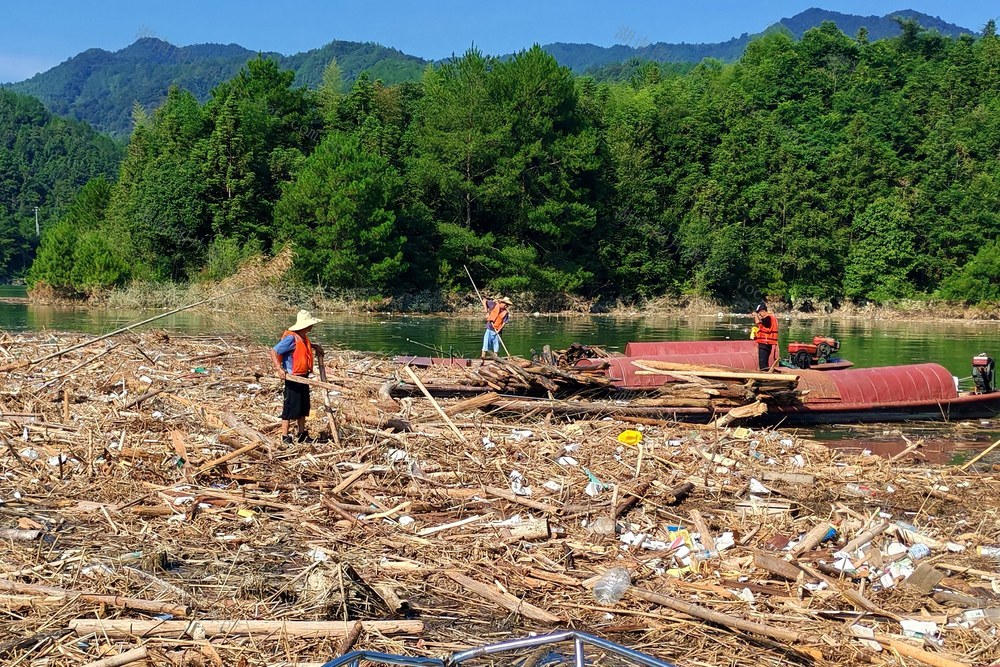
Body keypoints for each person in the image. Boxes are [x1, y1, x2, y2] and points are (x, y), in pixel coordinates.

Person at [270, 309, 324, 443]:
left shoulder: (303, 337)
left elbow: (303, 348)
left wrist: (315, 347)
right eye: (310, 324)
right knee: (289, 407)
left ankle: (302, 434)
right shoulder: (291, 338)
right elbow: (274, 351)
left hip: (303, 376)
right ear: (306, 325)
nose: (312, 326)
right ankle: (285, 436)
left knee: (303, 406)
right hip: (293, 378)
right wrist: (279, 369)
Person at [751, 302, 778, 371]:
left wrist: (755, 316)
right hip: (767, 343)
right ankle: (765, 374)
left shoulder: (768, 318)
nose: (759, 314)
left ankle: (764, 377)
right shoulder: (770, 317)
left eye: (759, 313)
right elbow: (763, 326)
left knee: (762, 363)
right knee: (764, 362)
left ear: (763, 311)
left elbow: (761, 325)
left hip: (765, 343)